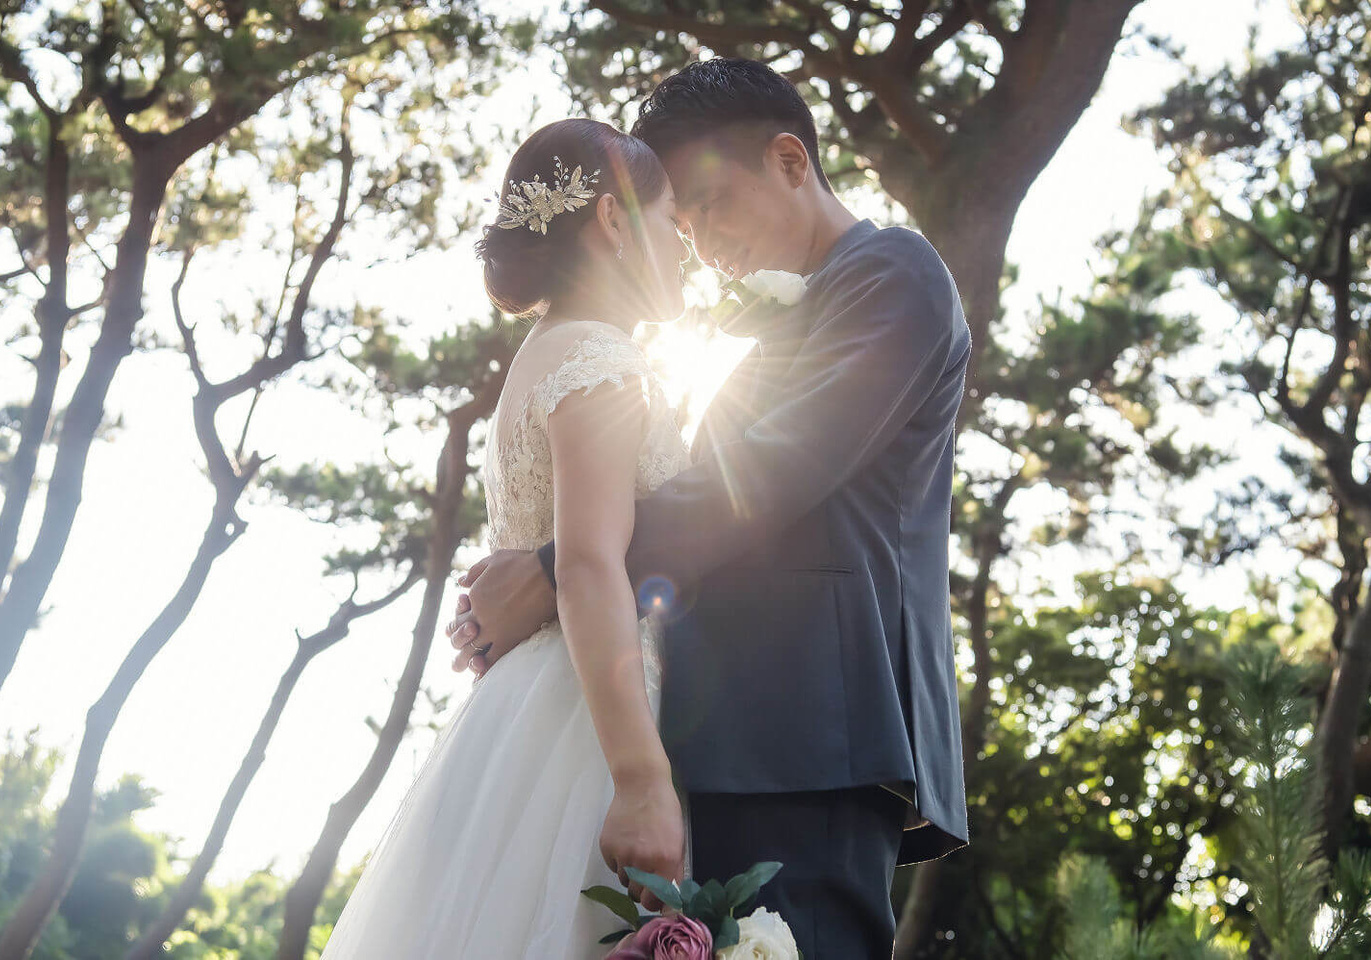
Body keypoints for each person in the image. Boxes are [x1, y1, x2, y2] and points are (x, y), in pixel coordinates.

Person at [448, 58, 973, 959]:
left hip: (814, 732)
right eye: (678, 225)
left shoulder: (896, 275)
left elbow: (767, 475)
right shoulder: (746, 336)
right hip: (727, 730)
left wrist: (553, 571)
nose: (697, 244)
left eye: (710, 206)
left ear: (789, 161)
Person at [320, 117, 693, 959]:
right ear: (611, 220)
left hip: (526, 719)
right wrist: (640, 781)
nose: (685, 249)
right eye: (671, 223)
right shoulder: (602, 361)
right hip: (592, 722)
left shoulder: (545, 353)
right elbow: (591, 563)